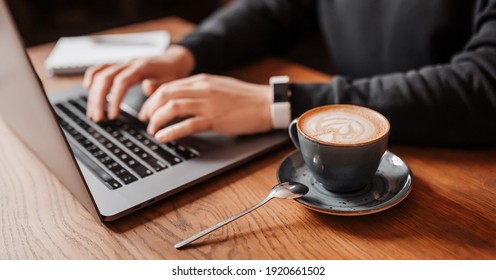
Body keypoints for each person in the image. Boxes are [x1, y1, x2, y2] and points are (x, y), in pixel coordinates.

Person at [83, 0, 496, 146]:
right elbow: (275, 8)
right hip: (339, 152)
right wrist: (186, 54)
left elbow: (484, 86)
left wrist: (281, 104)